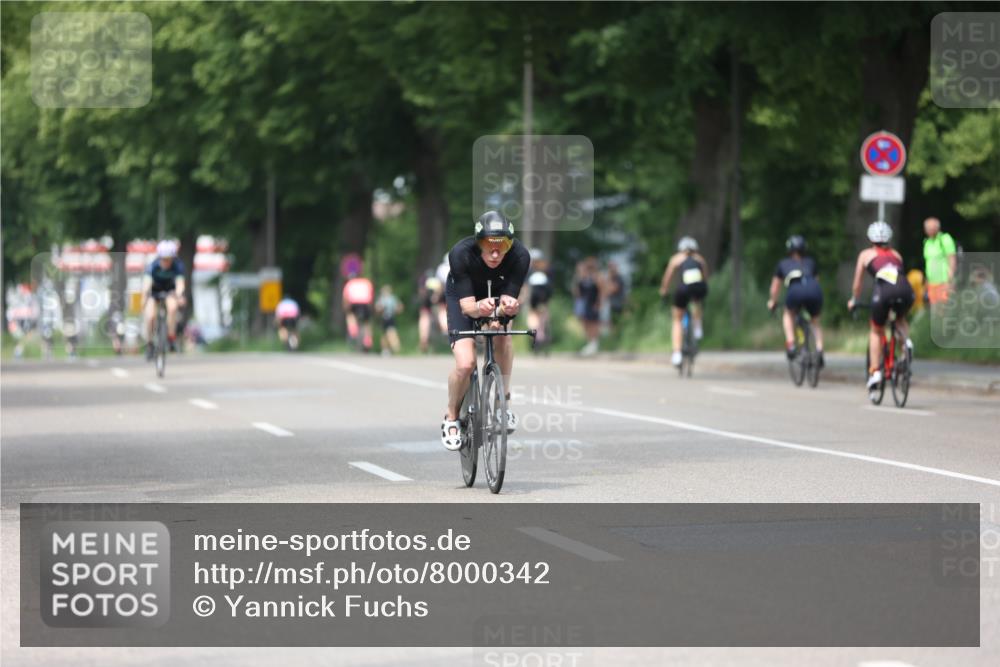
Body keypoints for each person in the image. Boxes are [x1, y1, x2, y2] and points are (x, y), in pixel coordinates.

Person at [440, 210, 530, 451]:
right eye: (488, 245)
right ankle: (451, 416)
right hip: (464, 296)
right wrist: (480, 308)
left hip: (497, 293)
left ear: (510, 245)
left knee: (503, 337)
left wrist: (506, 308)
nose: (494, 253)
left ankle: (503, 402)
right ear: (478, 242)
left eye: (502, 246)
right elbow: (468, 308)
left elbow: (507, 306)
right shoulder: (460, 253)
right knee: (465, 364)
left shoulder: (520, 256)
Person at [848, 221, 915, 394]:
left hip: (884, 291)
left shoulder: (865, 254)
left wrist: (854, 299)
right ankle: (906, 343)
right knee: (900, 319)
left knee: (876, 330)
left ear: (871, 238)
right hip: (906, 290)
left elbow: (858, 283)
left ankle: (875, 371)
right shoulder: (897, 255)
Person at [767, 235, 825, 366]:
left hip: (795, 291)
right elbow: (816, 281)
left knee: (788, 314)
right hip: (814, 290)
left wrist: (773, 301)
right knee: (815, 322)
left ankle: (791, 344)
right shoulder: (811, 262)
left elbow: (775, 286)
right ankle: (820, 350)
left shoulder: (783, 263)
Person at [659, 236, 708, 368]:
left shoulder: (676, 258)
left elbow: (667, 277)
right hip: (699, 288)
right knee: (697, 301)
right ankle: (697, 327)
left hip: (683, 289)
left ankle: (677, 354)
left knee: (677, 319)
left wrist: (664, 290)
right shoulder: (699, 259)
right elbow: (705, 277)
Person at [142, 240, 186, 360]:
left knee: (172, 308)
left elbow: (180, 283)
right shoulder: (153, 266)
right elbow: (146, 283)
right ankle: (150, 343)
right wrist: (145, 296)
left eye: (168, 259)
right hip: (154, 291)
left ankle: (171, 337)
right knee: (150, 316)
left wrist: (179, 294)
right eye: (163, 259)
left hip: (170, 290)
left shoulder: (178, 266)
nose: (166, 262)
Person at [922, 217, 957, 307]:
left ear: (937, 228)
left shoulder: (945, 239)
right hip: (932, 283)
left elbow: (952, 259)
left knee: (944, 310)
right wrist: (927, 281)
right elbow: (928, 263)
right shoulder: (927, 242)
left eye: (931, 228)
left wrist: (950, 280)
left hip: (943, 282)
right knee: (935, 311)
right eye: (927, 228)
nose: (929, 230)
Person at [573, 257, 603, 356]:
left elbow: (601, 291)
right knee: (586, 323)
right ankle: (590, 342)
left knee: (593, 323)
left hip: (593, 304)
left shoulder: (595, 277)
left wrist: (598, 303)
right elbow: (577, 292)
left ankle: (594, 343)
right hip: (585, 304)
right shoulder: (582, 279)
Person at [526, 249, 553, 350]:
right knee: (542, 317)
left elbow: (527, 287)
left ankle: (538, 336)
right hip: (543, 298)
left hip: (536, 297)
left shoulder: (530, 271)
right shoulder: (547, 270)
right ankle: (541, 335)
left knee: (534, 317)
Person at [342, 271, 374, 352]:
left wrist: (346, 308)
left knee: (350, 316)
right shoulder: (366, 282)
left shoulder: (349, 283)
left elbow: (345, 298)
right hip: (365, 304)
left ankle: (353, 330)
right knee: (367, 323)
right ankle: (368, 340)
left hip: (354, 303)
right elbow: (371, 295)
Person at [417, 271, 444, 354]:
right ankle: (424, 342)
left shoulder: (441, 297)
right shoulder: (426, 299)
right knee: (424, 322)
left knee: (442, 318)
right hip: (428, 310)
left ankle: (427, 343)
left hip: (439, 309)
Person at [375, 285, 403, 355]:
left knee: (391, 333)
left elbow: (399, 307)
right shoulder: (383, 298)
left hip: (390, 318)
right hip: (384, 318)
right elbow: (378, 308)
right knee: (384, 334)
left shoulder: (391, 299)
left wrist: (395, 310)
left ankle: (395, 348)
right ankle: (386, 349)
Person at [605, 261, 628, 330]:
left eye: (612, 267)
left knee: (618, 322)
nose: (611, 269)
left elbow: (613, 289)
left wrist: (607, 287)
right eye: (610, 267)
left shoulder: (618, 278)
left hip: (618, 303)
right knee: (611, 323)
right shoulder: (610, 278)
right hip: (612, 303)